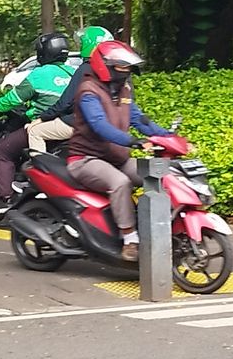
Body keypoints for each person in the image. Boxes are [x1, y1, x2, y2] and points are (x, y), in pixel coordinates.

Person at [67, 40, 169, 262]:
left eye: (128, 68)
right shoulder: (88, 91)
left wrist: (167, 137)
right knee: (120, 183)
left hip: (116, 157)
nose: (126, 72)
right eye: (121, 67)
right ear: (105, 66)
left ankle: (160, 226)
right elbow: (100, 126)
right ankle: (129, 238)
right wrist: (134, 141)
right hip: (86, 159)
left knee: (159, 174)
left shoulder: (124, 90)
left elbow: (138, 119)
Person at [0, 32, 74, 215]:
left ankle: (5, 198)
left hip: (44, 126)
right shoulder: (73, 73)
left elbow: (13, 98)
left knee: (2, 150)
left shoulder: (39, 75)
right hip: (71, 127)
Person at [26, 25, 112, 152]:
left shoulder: (86, 68)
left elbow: (65, 102)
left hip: (82, 123)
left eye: (82, 43)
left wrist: (41, 118)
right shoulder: (116, 69)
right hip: (109, 124)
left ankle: (41, 167)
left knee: (35, 131)